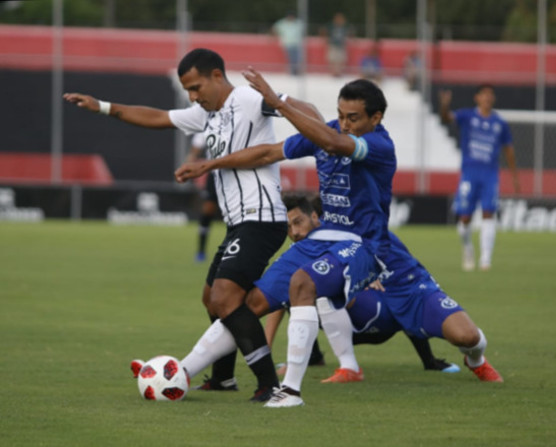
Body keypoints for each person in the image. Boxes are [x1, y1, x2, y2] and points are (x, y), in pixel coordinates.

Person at [64, 48, 321, 402]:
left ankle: (268, 384)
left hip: (261, 218)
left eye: (196, 87)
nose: (193, 96)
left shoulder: (249, 98)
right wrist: (105, 107)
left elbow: (313, 116)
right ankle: (223, 378)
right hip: (238, 223)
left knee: (226, 297)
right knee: (211, 299)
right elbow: (158, 117)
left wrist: (278, 100)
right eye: (188, 90)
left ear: (218, 76)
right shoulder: (207, 115)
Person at [176, 70, 402, 408]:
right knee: (248, 304)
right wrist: (210, 165)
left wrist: (277, 100)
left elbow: (332, 143)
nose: (344, 124)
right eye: (340, 116)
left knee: (302, 282)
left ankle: (290, 391)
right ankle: (179, 373)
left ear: (376, 117)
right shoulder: (328, 131)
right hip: (323, 239)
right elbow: (267, 153)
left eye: (353, 118)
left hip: (363, 245)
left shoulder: (378, 145)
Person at [266, 194, 459, 381]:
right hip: (353, 324)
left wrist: (366, 270)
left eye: (298, 223)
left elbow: (408, 278)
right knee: (297, 288)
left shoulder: (363, 236)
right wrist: (266, 350)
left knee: (400, 292)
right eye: (288, 227)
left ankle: (425, 359)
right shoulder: (303, 251)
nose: (294, 233)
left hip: (378, 319)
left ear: (316, 217)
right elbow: (279, 297)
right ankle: (315, 358)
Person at [439, 84, 520, 271]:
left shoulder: (500, 123)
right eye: (484, 95)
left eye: (490, 95)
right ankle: (467, 247)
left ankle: (485, 260)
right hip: (470, 172)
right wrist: (444, 106)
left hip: (490, 174)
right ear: (477, 98)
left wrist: (514, 175)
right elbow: (446, 118)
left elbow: (508, 149)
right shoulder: (467, 116)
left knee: (488, 213)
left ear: (493, 99)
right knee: (465, 217)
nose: (487, 98)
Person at [187, 132, 220, 262]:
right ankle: (201, 251)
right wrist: (189, 165)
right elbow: (195, 150)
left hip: (234, 172)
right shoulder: (208, 125)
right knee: (207, 211)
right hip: (214, 174)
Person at [272, 11, 303, 76]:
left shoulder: (298, 23)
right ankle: (292, 72)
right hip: (287, 44)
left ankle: (296, 71)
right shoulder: (282, 23)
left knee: (297, 58)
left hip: (297, 44)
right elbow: (274, 28)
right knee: (291, 59)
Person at [324, 12, 350, 77]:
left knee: (341, 59)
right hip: (333, 44)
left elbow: (349, 33)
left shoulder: (344, 27)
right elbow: (324, 30)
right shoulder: (331, 26)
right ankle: (333, 72)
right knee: (332, 59)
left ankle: (339, 72)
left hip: (341, 45)